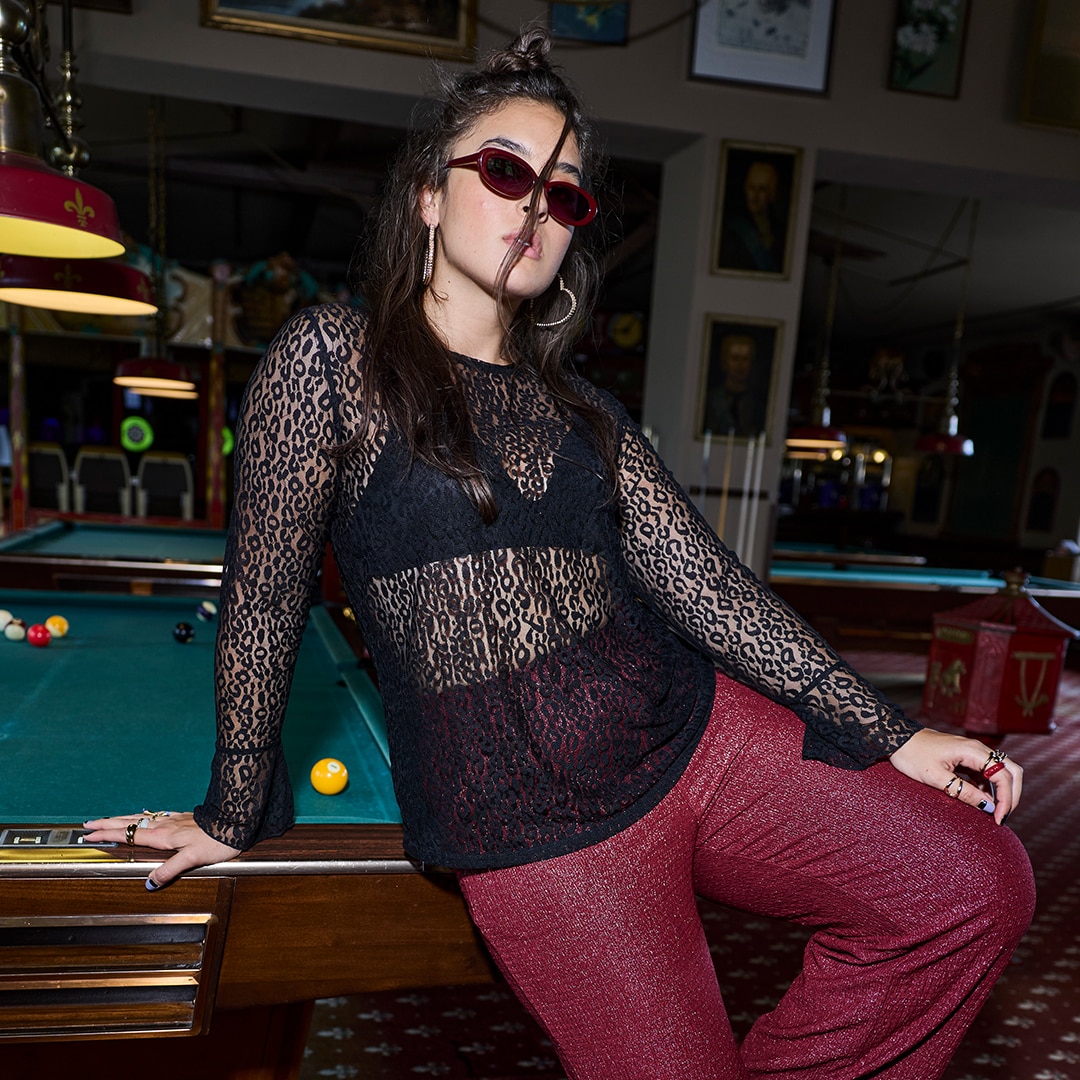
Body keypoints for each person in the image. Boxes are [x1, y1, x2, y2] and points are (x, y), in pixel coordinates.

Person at [85, 28, 1034, 1080]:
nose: (536, 205)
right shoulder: (330, 362)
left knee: (975, 885)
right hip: (536, 830)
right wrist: (233, 809)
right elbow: (264, 603)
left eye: (564, 193)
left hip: (694, 737)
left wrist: (890, 732)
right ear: (429, 197)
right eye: (505, 171)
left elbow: (708, 588)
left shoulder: (587, 412)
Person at [718, 158, 787, 274]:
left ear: (772, 194)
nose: (754, 196)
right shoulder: (731, 233)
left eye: (762, 189)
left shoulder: (782, 233)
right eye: (751, 188)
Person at [703, 332, 767, 437]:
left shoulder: (758, 401)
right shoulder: (712, 398)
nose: (740, 365)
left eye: (745, 359)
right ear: (725, 361)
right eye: (735, 358)